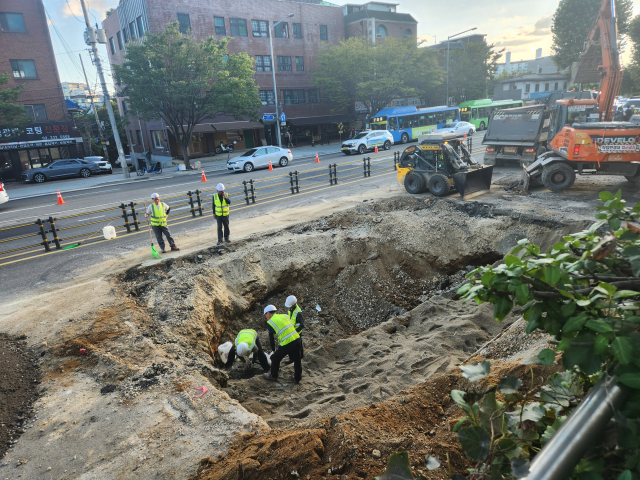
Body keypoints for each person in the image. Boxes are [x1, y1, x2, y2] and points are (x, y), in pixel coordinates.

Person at [262, 305, 302, 384]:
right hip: (297, 339)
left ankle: (273, 376)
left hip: (287, 343)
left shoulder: (270, 322)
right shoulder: (285, 316)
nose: (265, 317)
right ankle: (297, 378)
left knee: (275, 358)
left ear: (268, 313)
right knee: (297, 359)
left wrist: (273, 351)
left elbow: (271, 338)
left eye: (265, 314)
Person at [284, 295, 304, 365]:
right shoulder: (290, 310)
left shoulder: (298, 313)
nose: (288, 307)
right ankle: (295, 358)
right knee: (294, 346)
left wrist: (295, 332)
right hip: (292, 332)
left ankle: (297, 358)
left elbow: (302, 325)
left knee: (296, 346)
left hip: (296, 333)